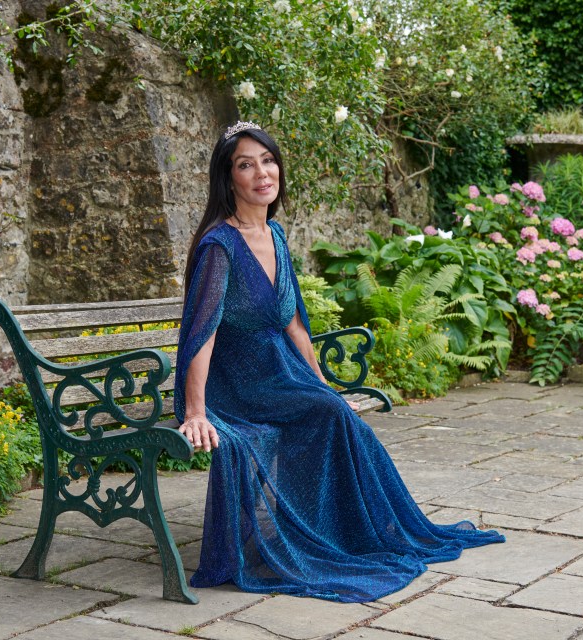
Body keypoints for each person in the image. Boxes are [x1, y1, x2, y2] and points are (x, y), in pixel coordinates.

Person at [174, 121, 505, 603]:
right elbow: (199, 335)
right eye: (246, 165)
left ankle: (352, 533)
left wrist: (322, 382)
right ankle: (328, 536)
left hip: (279, 374)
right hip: (236, 383)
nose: (261, 173)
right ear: (229, 180)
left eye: (268, 161)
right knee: (327, 417)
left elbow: (294, 325)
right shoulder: (219, 248)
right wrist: (197, 411)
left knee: (335, 413)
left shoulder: (276, 234)